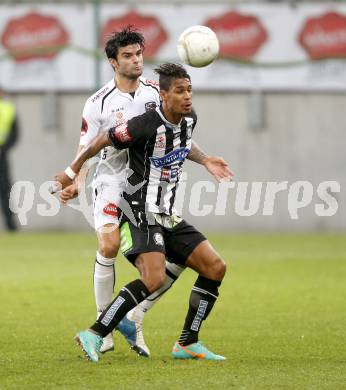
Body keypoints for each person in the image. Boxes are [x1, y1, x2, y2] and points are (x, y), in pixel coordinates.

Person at [59, 27, 225, 357]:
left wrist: (205, 160)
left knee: (183, 264)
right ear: (112, 62)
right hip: (112, 182)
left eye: (139, 54)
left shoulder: (156, 93)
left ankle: (135, 317)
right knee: (110, 247)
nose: (136, 61)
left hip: (153, 186)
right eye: (128, 56)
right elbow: (91, 144)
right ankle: (102, 329)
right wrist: (74, 176)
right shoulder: (98, 103)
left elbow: (179, 136)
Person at [0, 86, 19, 231]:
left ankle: (11, 226)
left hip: (1, 155)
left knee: (5, 190)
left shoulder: (8, 109)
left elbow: (14, 134)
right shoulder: (8, 108)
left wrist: (3, 148)